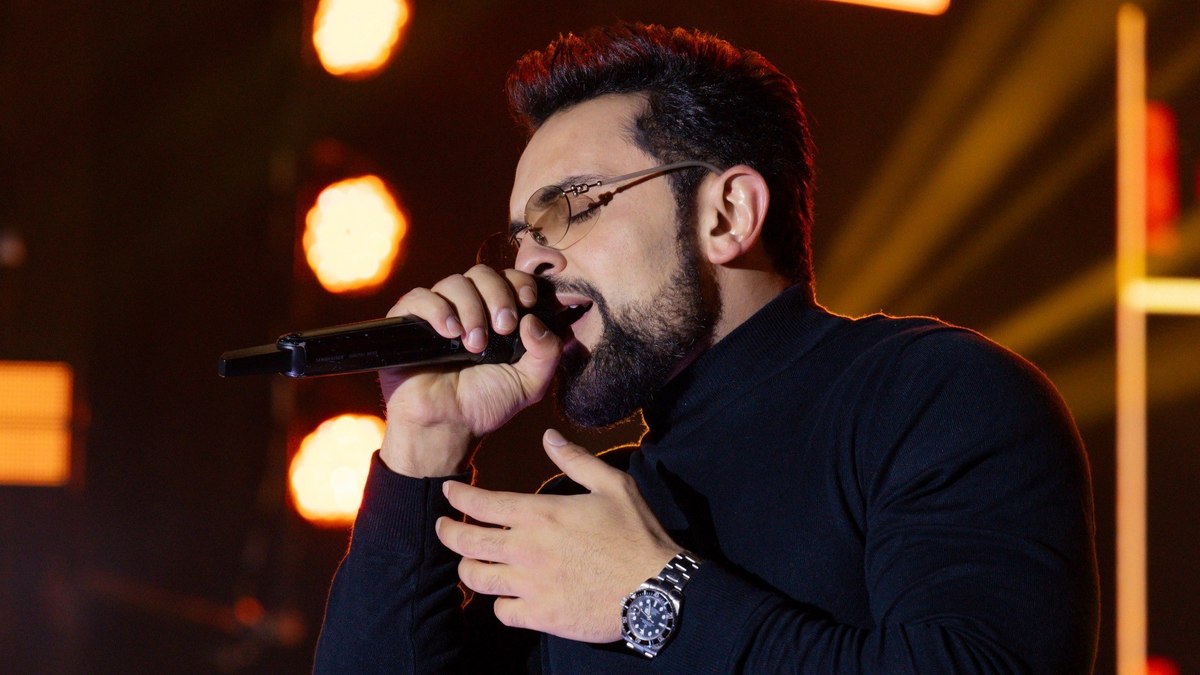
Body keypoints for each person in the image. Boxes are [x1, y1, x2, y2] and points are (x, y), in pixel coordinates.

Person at [314, 22, 1099, 673]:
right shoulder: (587, 517)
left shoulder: (933, 395)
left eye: (570, 208)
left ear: (728, 215)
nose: (529, 264)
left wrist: (656, 597)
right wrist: (423, 446)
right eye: (521, 236)